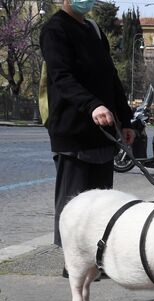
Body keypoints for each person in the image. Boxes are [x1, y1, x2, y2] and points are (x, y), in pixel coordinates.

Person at [40, 0, 135, 248]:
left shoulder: (93, 29)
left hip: (102, 132)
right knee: (75, 204)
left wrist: (126, 120)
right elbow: (61, 77)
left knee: (101, 204)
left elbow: (111, 77)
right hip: (72, 131)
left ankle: (97, 257)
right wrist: (92, 105)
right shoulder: (55, 29)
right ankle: (72, 263)